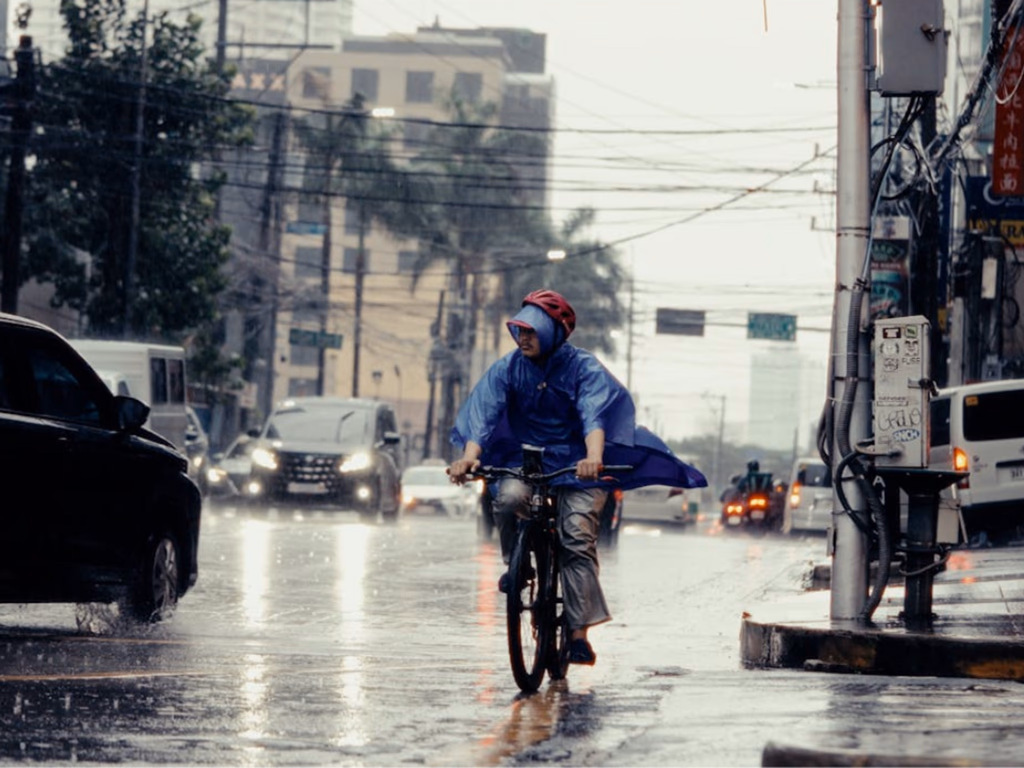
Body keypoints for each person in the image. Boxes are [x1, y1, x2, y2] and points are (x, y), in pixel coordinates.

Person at [448, 288, 706, 666]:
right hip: (527, 459)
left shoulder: (584, 368)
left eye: (533, 331)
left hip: (579, 462)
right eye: (521, 330)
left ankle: (578, 633)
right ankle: (516, 567)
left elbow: (593, 416)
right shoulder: (507, 368)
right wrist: (469, 458)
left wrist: (594, 458)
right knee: (507, 499)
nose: (524, 338)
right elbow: (483, 416)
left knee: (577, 538)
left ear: (556, 333)